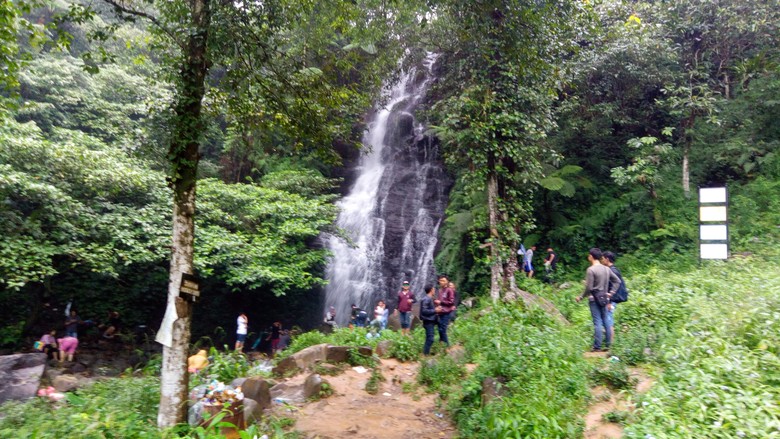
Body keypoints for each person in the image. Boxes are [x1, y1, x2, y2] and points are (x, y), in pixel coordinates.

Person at [575, 248, 621, 352]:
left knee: (597, 322)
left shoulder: (591, 270)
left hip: (594, 299)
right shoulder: (606, 269)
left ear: (591, 256)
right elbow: (617, 281)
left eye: (589, 255)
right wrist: (611, 293)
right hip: (604, 298)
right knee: (606, 320)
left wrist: (581, 297)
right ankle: (609, 345)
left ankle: (597, 346)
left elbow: (589, 288)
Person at [601, 251, 627, 344]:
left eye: (603, 258)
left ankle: (610, 344)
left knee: (609, 320)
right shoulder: (614, 270)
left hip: (611, 300)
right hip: (611, 299)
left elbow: (612, 287)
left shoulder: (611, 271)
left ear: (607, 259)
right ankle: (609, 343)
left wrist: (609, 301)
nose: (601, 260)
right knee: (608, 319)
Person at [435, 275, 456, 347]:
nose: (441, 282)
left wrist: (441, 302)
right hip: (440, 312)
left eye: (443, 280)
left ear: (447, 282)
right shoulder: (440, 291)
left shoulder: (449, 290)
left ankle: (447, 346)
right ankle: (441, 343)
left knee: (443, 329)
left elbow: (451, 302)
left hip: (446, 312)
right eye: (440, 280)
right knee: (440, 328)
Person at [419, 285, 438, 355]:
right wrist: (435, 310)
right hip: (428, 321)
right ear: (431, 290)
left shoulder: (429, 298)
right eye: (433, 289)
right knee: (430, 339)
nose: (434, 290)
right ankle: (425, 354)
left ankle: (425, 353)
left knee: (428, 338)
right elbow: (424, 311)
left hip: (430, 321)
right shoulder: (427, 299)